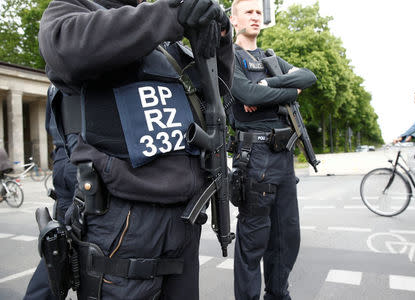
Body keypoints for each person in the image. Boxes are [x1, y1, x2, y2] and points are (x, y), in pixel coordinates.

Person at [37, 0, 233, 299]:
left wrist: (219, 34)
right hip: (121, 221)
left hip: (184, 219)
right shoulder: (74, 9)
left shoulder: (166, 44)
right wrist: (170, 14)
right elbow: (66, 47)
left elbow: (218, 94)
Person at [228, 0, 317, 299]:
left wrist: (270, 83)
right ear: (234, 20)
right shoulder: (229, 56)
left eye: (258, 12)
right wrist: (288, 92)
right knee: (253, 242)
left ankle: (278, 295)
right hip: (255, 159)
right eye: (248, 12)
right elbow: (245, 93)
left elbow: (308, 77)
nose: (255, 16)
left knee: (287, 238)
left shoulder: (272, 58)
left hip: (283, 156)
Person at [23, 85, 80, 300]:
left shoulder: (54, 83)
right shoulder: (92, 65)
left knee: (57, 252)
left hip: (64, 163)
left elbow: (52, 126)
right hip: (82, 164)